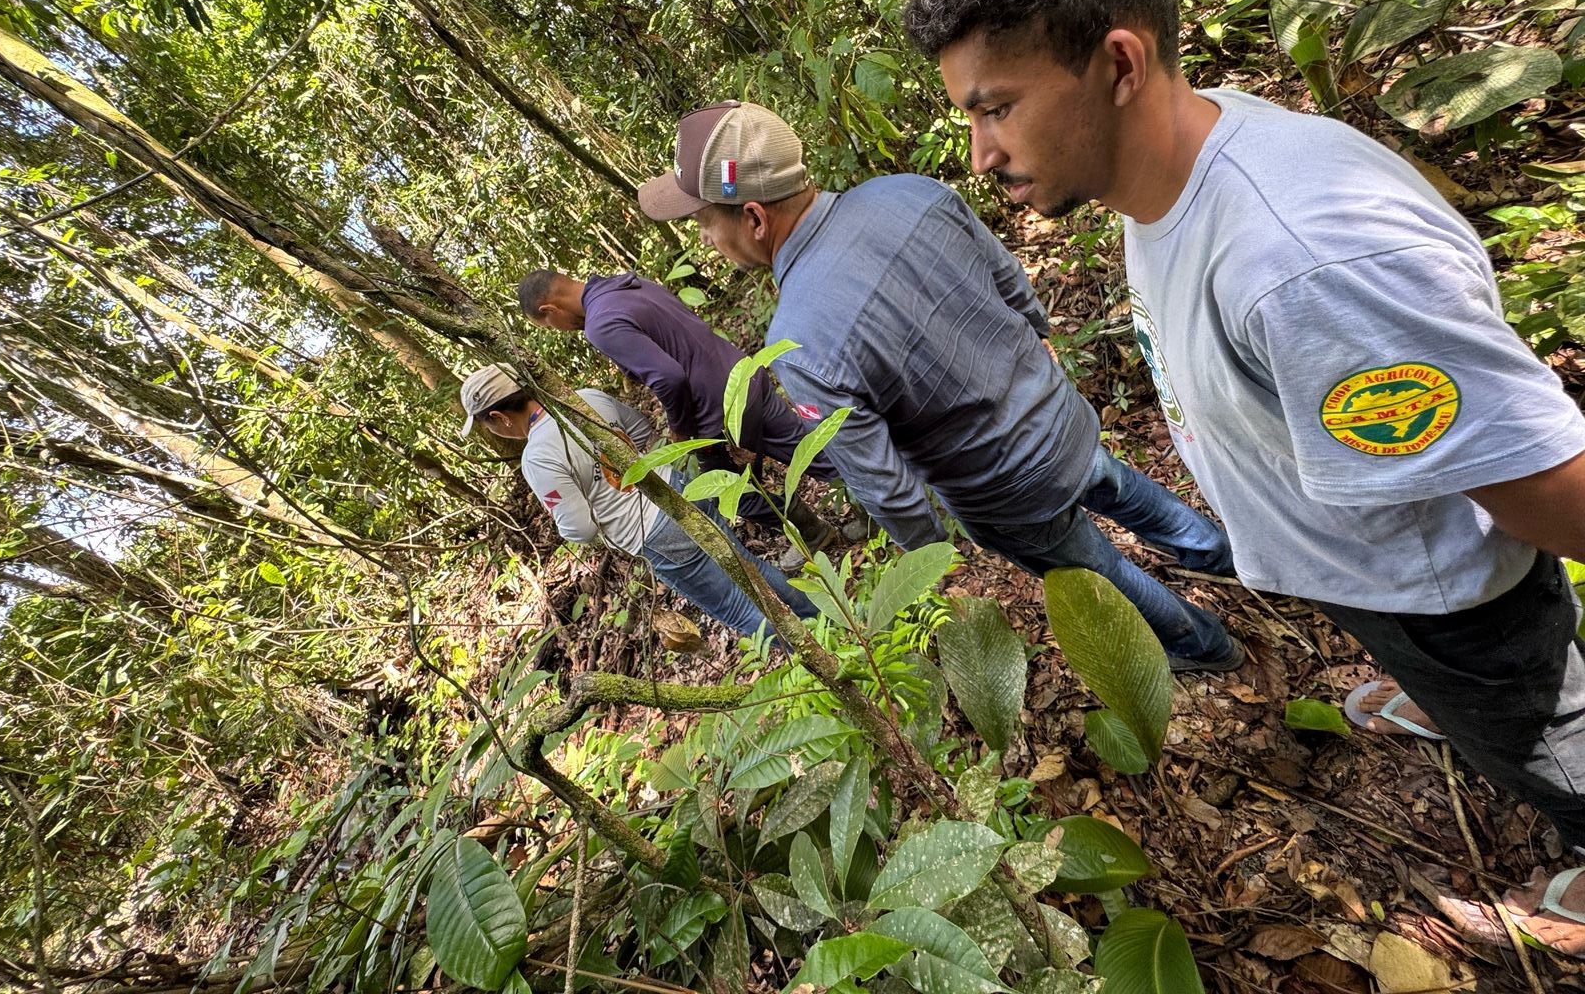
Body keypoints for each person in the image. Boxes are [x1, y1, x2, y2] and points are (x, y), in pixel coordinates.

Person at [903, 0, 1585, 950]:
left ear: (1118, 63)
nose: (981, 154)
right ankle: (1456, 708)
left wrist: (1468, 653)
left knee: (1546, 739)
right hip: (1379, 589)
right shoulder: (1166, 179)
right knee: (1480, 710)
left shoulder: (1298, 261)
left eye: (997, 106)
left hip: (1460, 611)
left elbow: (1540, 483)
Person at [636, 100, 1244, 672]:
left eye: (705, 225)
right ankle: (1232, 561)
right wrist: (1040, 360)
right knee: (1122, 489)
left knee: (1100, 571)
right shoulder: (910, 193)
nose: (708, 244)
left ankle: (1204, 645)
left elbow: (886, 488)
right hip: (1059, 413)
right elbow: (1012, 283)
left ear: (753, 217)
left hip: (1003, 488)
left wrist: (932, 561)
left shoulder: (800, 341)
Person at [514, 268, 854, 569]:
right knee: (806, 451)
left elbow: (668, 377)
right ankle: (878, 506)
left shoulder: (600, 324)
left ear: (550, 310)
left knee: (733, 493)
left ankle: (813, 532)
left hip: (717, 413)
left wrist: (681, 430)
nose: (557, 329)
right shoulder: (626, 283)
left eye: (548, 325)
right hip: (743, 376)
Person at [458, 365, 817, 646]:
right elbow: (641, 430)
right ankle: (823, 622)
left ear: (500, 417)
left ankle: (815, 661)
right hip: (678, 490)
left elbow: (578, 527)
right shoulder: (585, 398)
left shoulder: (537, 456)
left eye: (487, 425)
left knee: (736, 606)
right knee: (749, 567)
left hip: (652, 534)